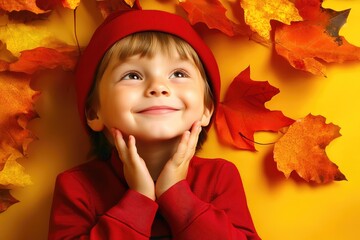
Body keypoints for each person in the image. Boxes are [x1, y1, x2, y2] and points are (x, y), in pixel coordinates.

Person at [48, 9, 261, 240]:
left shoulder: (219, 177)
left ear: (207, 110)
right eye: (132, 75)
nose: (158, 87)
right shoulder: (77, 187)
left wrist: (176, 194)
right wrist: (139, 198)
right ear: (93, 113)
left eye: (178, 74)